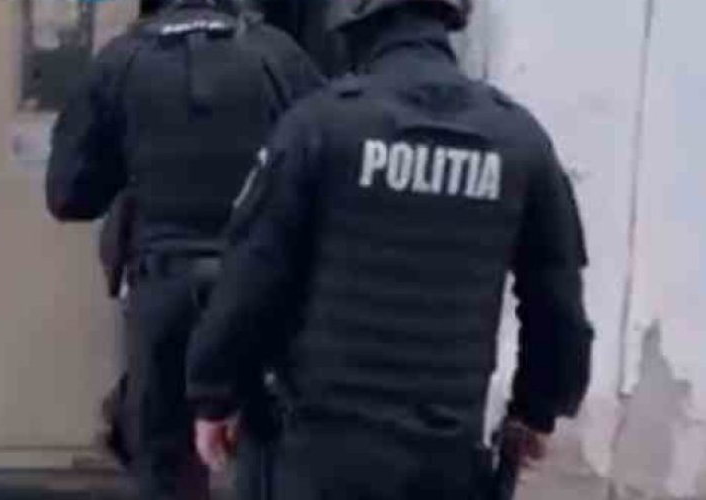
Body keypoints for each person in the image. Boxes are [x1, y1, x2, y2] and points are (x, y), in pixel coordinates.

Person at [186, 0, 595, 499]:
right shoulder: (519, 139)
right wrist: (536, 410)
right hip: (446, 461)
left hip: (319, 456)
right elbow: (558, 304)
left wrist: (215, 395)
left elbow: (252, 278)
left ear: (359, 20)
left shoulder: (319, 125)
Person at [45, 0, 324, 498]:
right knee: (266, 457)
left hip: (163, 289)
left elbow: (69, 195)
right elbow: (325, 173)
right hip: (258, 290)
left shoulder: (121, 59)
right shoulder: (279, 54)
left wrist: (131, 167)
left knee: (165, 469)